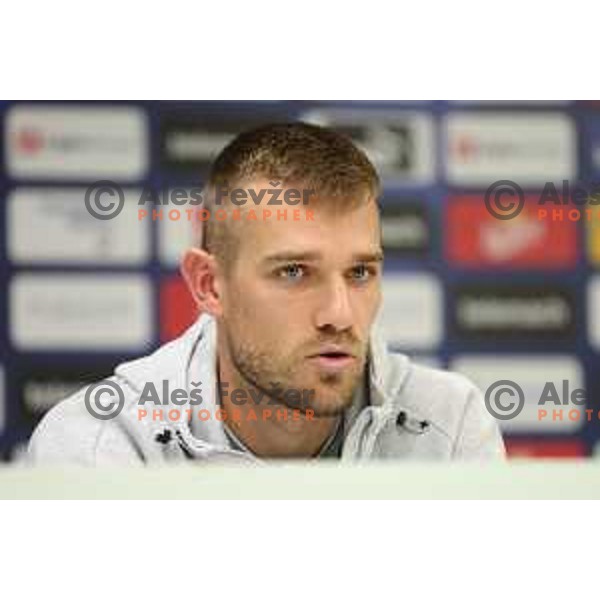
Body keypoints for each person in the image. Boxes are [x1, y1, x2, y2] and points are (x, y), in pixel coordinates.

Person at [27, 122, 505, 465]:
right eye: (295, 271)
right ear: (209, 285)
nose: (339, 315)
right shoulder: (98, 444)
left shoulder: (447, 426)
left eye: (360, 272)